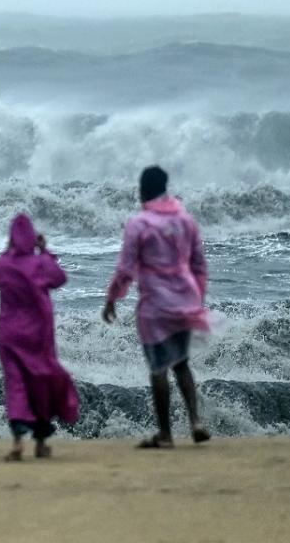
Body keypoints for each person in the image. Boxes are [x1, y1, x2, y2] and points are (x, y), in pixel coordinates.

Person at [104, 165, 212, 448]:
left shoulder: (139, 224)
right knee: (182, 363)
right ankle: (196, 422)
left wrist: (112, 298)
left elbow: (126, 269)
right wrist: (198, 299)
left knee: (159, 368)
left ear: (142, 191)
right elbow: (199, 265)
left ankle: (165, 434)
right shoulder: (186, 220)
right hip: (185, 300)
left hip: (155, 305)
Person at [0, 213, 79, 461]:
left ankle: (18, 442)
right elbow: (60, 278)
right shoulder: (41, 264)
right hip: (38, 335)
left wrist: (8, 252)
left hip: (9, 334)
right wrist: (45, 251)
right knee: (40, 382)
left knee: (15, 383)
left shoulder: (3, 264)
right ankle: (40, 443)